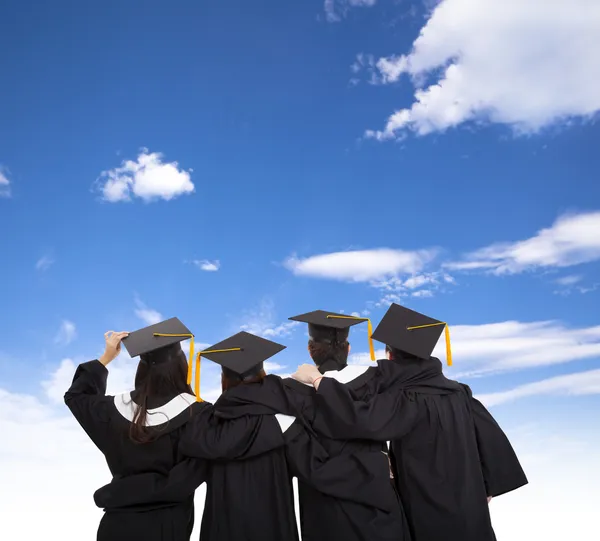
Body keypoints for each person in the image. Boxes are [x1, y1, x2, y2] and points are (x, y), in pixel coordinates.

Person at [292, 302, 528, 541]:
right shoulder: (458, 392)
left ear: (390, 355)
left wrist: (318, 380)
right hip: (470, 503)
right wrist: (487, 486)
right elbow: (492, 439)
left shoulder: (406, 398)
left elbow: (361, 419)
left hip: (427, 504)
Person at [65, 319, 286, 541]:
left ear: (141, 367)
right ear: (183, 366)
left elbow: (77, 397)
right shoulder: (196, 415)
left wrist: (106, 358)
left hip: (114, 526)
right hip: (168, 527)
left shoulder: (110, 411)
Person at [214, 313, 411, 541]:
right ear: (347, 349)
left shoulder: (287, 391)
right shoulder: (377, 381)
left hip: (323, 511)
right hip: (377, 503)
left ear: (310, 349)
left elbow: (241, 398)